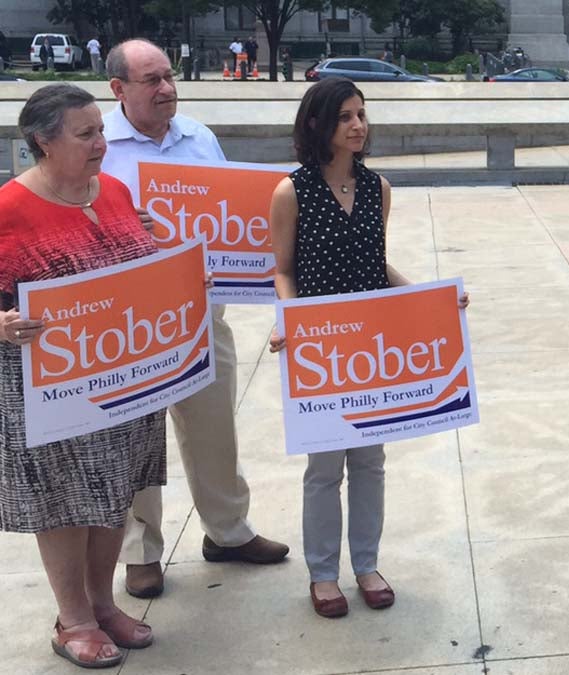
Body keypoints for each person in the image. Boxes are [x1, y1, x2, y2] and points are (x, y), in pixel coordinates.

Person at [267, 77, 469, 619]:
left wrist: (432, 302)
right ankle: (323, 573)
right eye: (345, 118)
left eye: (362, 115)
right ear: (317, 125)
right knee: (324, 467)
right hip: (322, 350)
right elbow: (283, 269)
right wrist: (287, 321)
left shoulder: (378, 186)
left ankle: (366, 564)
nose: (358, 126)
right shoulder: (292, 191)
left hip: (372, 346)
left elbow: (376, 265)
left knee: (371, 462)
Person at [101, 38, 289, 599]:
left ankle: (227, 532)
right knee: (137, 436)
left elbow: (232, 215)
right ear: (119, 90)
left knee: (213, 426)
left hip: (203, 314)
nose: (167, 89)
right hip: (130, 322)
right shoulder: (100, 146)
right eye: (151, 80)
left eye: (169, 76)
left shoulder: (199, 138)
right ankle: (141, 552)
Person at [0, 83, 166, 669]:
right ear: (43, 142)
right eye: (86, 133)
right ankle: (72, 620)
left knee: (114, 493)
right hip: (50, 385)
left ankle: (102, 604)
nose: (102, 142)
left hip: (122, 377)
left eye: (100, 130)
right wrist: (1, 323)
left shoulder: (116, 191)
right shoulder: (8, 209)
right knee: (65, 504)